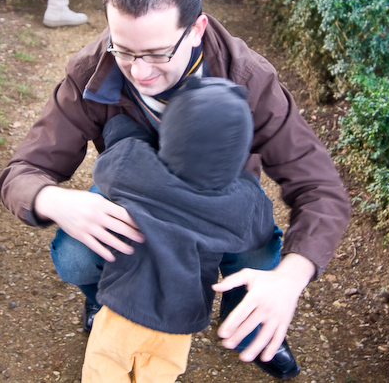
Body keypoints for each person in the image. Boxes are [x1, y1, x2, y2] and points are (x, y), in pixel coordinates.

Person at [0, 0, 351, 380]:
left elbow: (321, 190)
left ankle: (251, 320)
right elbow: (21, 172)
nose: (139, 72)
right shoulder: (90, 70)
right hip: (134, 203)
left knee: (261, 255)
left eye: (158, 54)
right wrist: (54, 200)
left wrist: (290, 278)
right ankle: (103, 295)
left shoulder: (250, 78)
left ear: (197, 28)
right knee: (74, 255)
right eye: (123, 49)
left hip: (222, 205)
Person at [82, 77, 274, 383]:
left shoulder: (136, 169)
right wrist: (245, 183)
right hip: (180, 320)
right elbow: (262, 229)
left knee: (105, 367)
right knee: (160, 373)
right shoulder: (241, 204)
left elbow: (116, 144)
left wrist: (123, 127)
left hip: (124, 307)